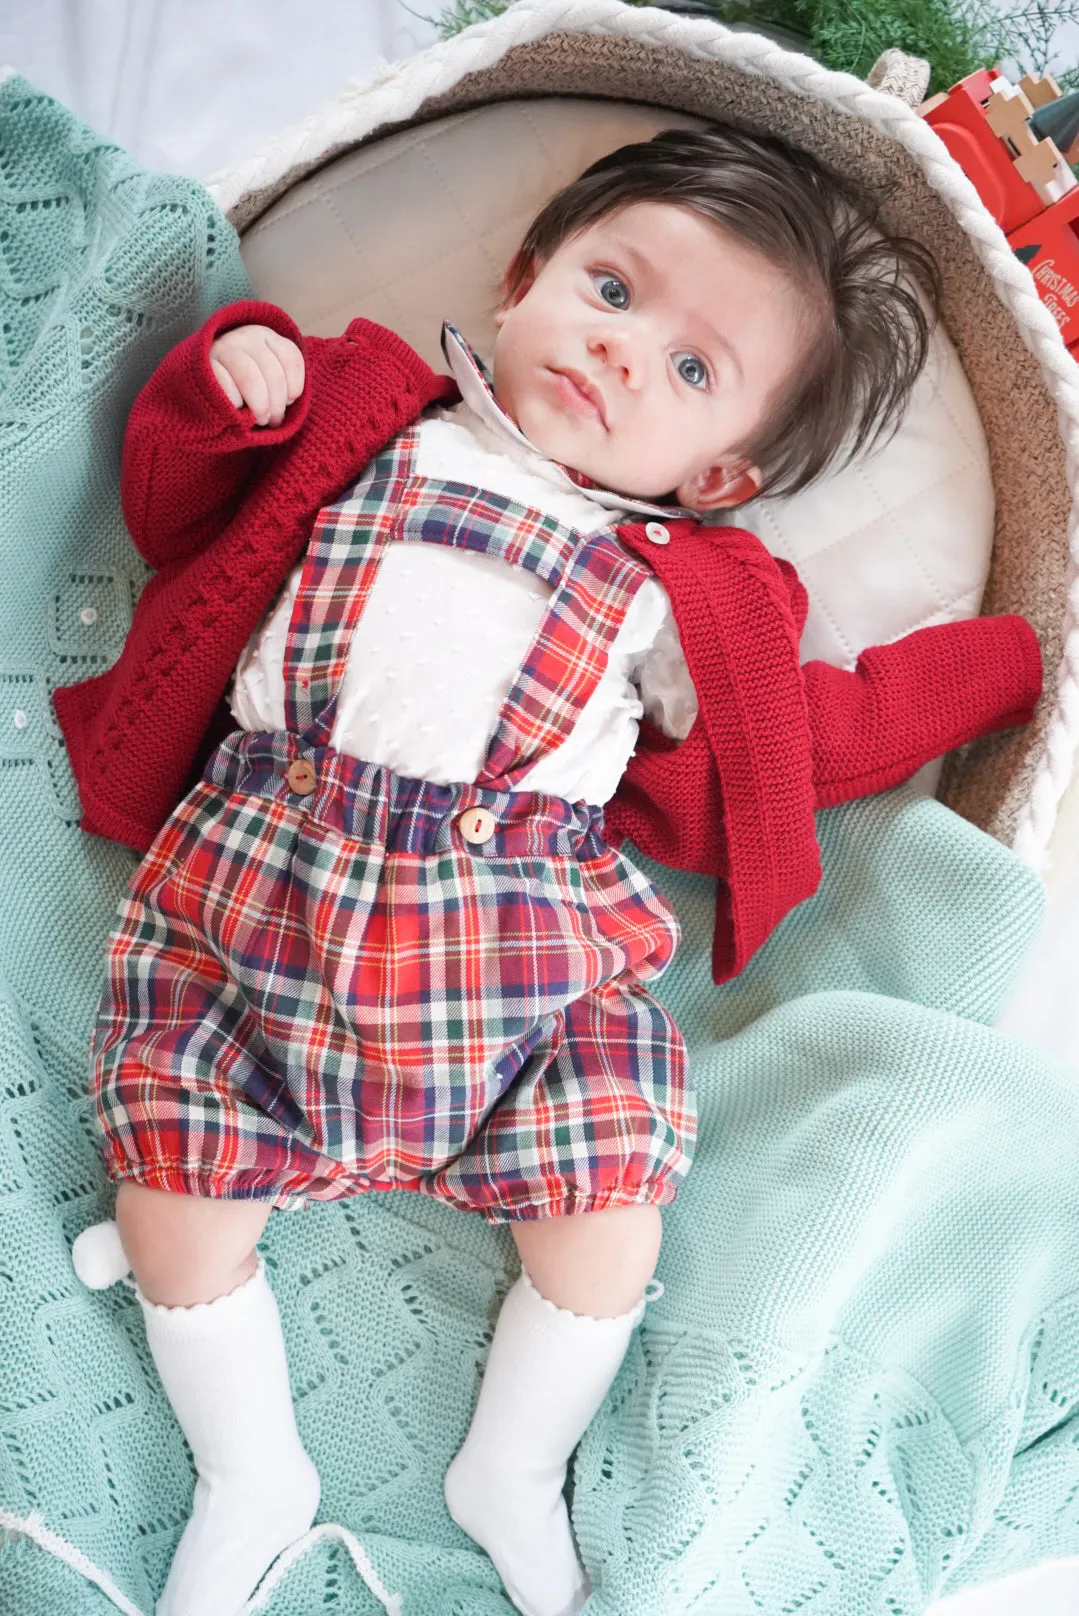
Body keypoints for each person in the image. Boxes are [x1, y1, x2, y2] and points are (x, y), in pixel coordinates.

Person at [61, 126, 1042, 1616]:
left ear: (717, 475)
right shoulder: (366, 414)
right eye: (609, 285)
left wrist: (992, 669)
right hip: (261, 888)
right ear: (519, 285)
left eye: (693, 367)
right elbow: (170, 501)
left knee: (606, 1204)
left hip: (516, 951)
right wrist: (230, 380)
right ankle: (247, 1464)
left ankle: (507, 1463)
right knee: (171, 1176)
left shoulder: (678, 594)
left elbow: (797, 743)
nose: (623, 350)